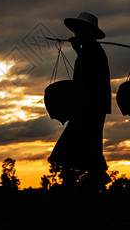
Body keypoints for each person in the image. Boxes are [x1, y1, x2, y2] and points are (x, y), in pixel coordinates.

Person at [48, 12, 112, 190]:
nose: (76, 35)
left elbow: (89, 79)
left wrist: (79, 50)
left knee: (72, 148)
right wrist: (78, 50)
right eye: (76, 31)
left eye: (79, 31)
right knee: (85, 147)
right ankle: (92, 178)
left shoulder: (93, 51)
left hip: (90, 107)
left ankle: (87, 180)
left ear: (88, 33)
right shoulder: (91, 51)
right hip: (91, 106)